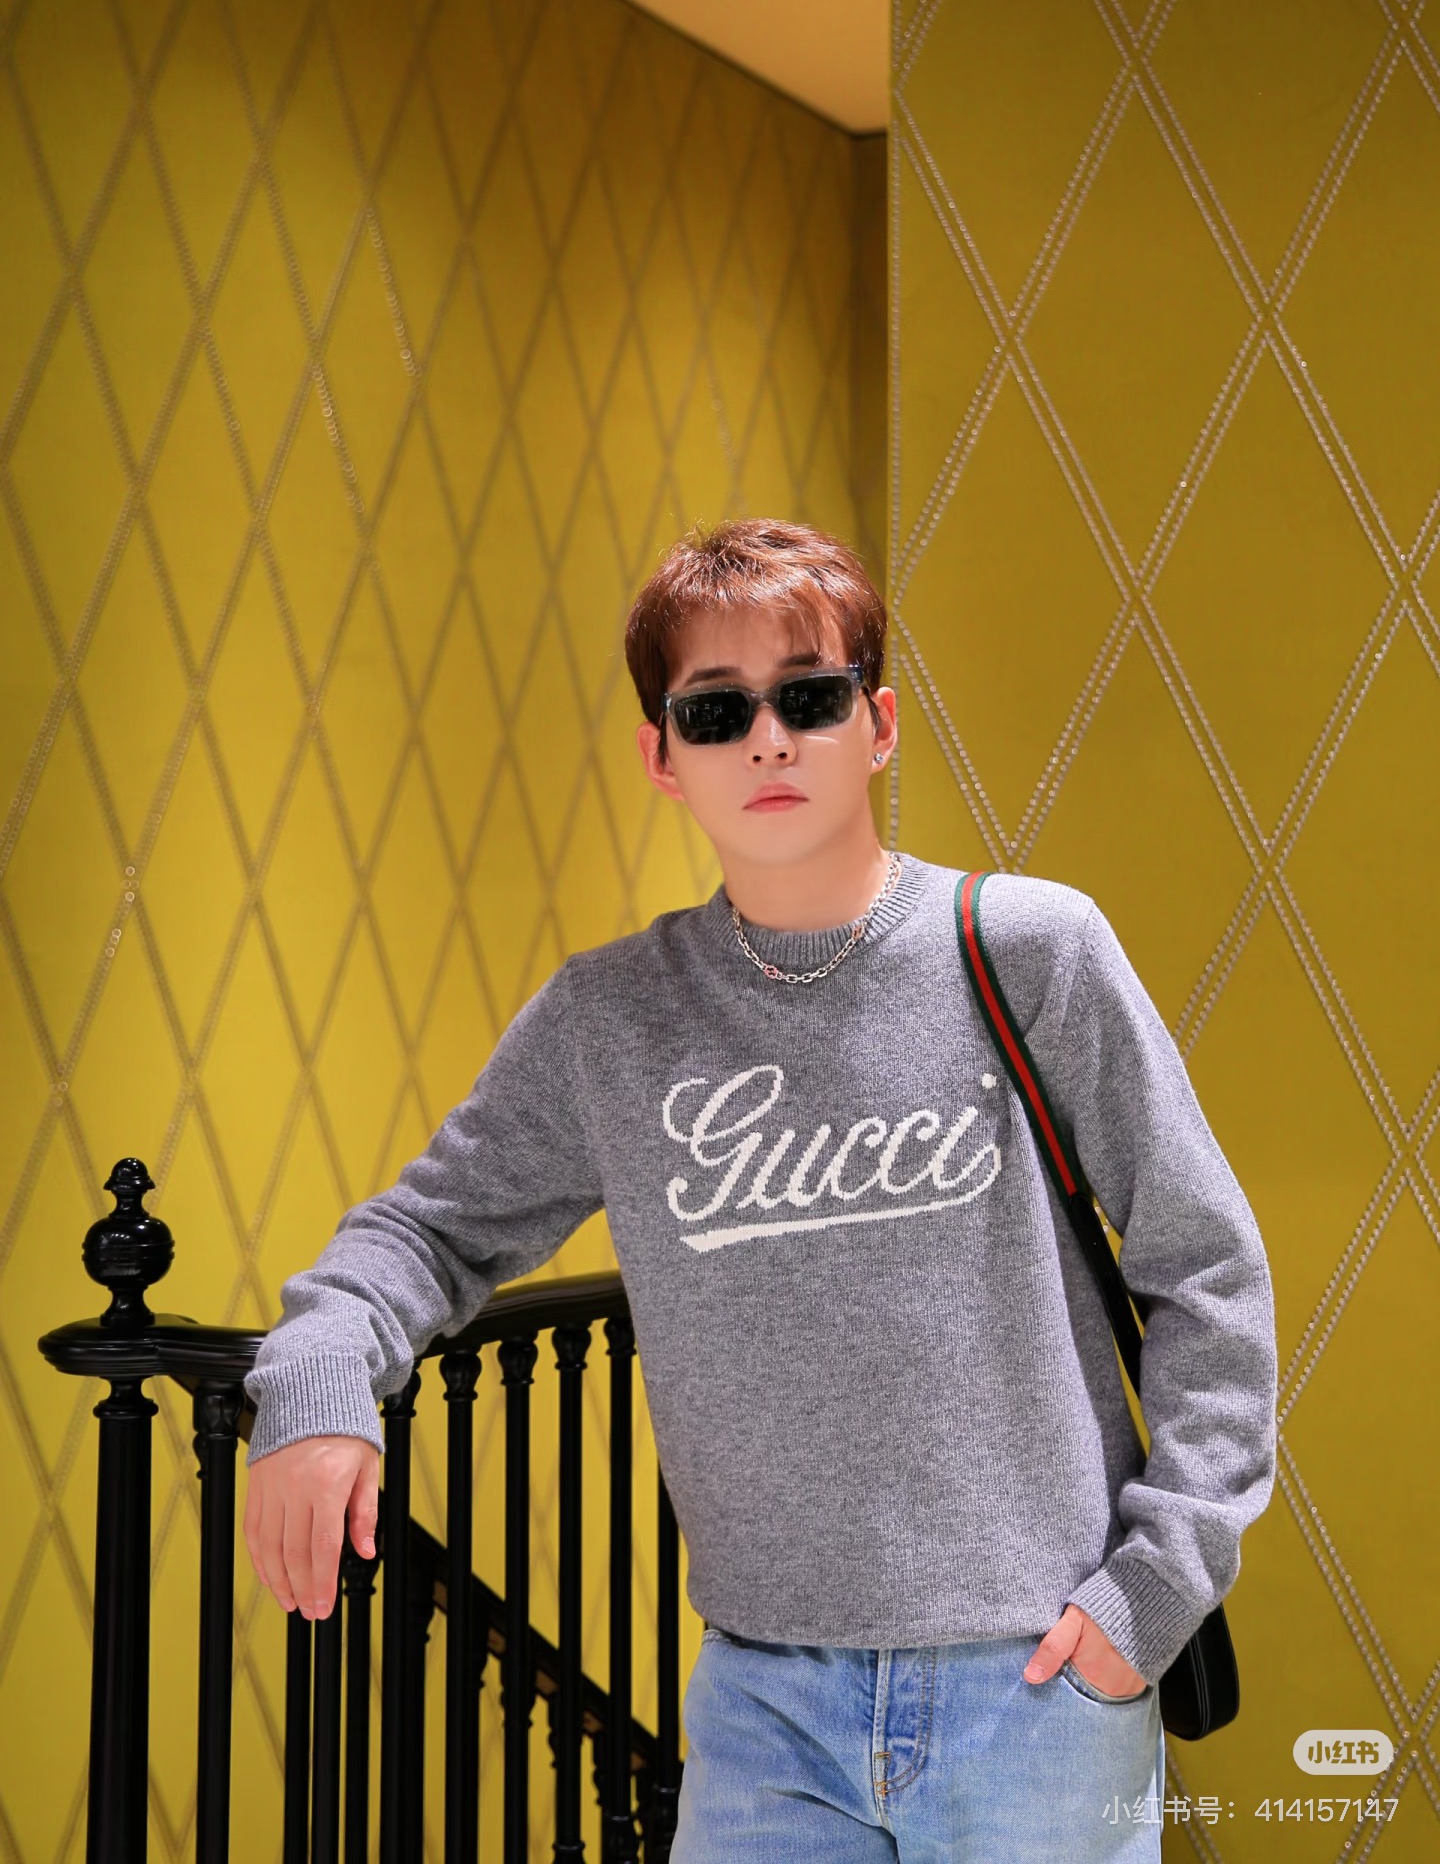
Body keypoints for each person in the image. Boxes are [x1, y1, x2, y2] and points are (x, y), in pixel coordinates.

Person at [242, 517, 1278, 1861]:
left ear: (877, 725)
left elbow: (1206, 1266)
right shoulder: (613, 1020)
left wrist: (1153, 1592)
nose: (769, 740)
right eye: (718, 711)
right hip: (762, 1708)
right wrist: (319, 1388)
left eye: (810, 697)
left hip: (1038, 1683)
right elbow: (424, 1232)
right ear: (663, 758)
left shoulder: (1033, 948)